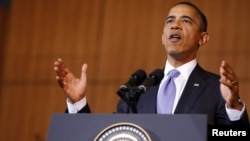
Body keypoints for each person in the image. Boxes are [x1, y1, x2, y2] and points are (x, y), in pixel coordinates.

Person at [54, 1, 249, 124]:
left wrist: (233, 106)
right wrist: (78, 103)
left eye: (186, 21)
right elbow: (112, 136)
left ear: (203, 38)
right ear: (163, 37)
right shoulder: (137, 91)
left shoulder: (217, 89)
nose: (175, 25)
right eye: (170, 20)